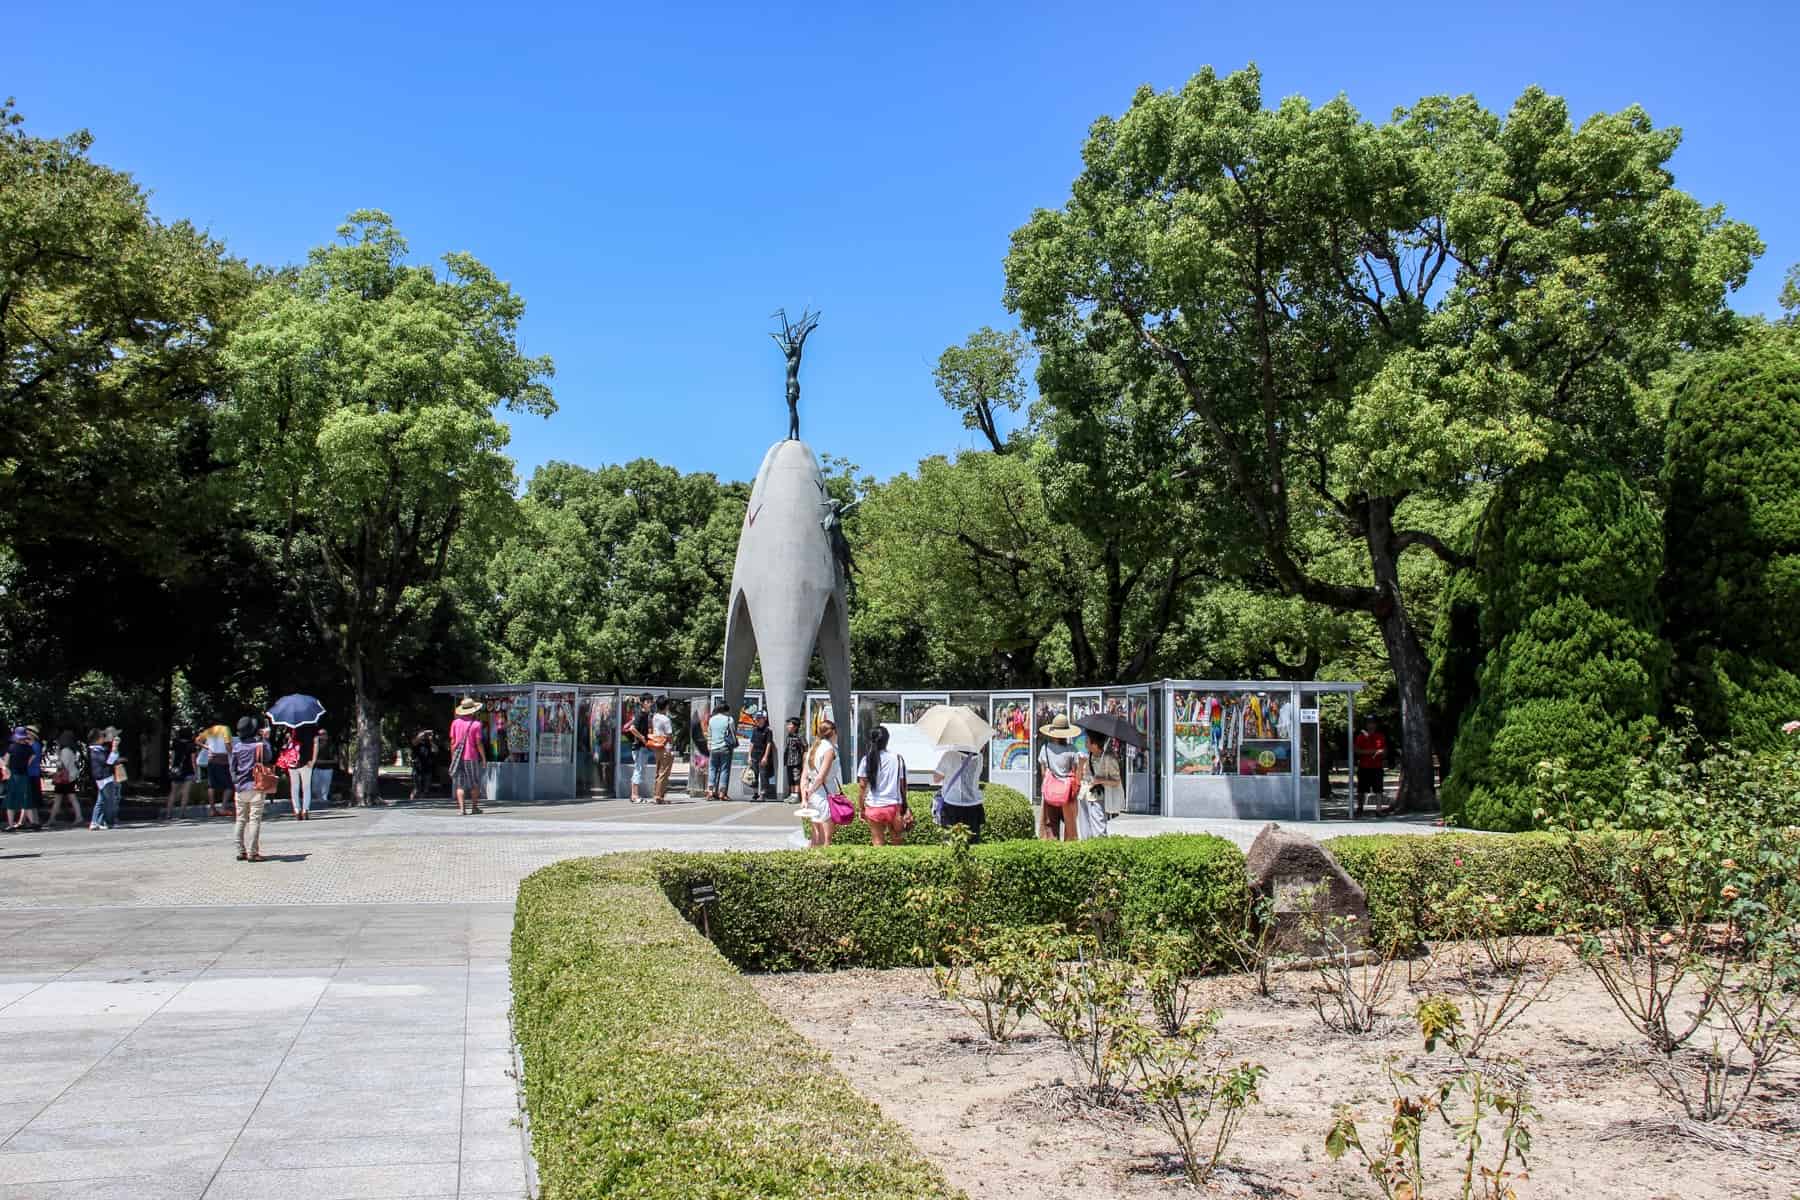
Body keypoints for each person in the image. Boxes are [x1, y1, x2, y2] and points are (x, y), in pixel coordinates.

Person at [855, 725, 907, 846]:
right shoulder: (897, 759)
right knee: (897, 840)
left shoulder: (866, 760)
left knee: (877, 841)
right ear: (887, 740)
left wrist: (861, 808)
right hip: (894, 806)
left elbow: (862, 787)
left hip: (874, 805)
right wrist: (905, 806)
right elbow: (903, 785)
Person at [1037, 714, 1084, 842]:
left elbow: (1043, 772)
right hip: (1067, 794)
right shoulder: (1072, 749)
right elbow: (1074, 772)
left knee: (1050, 828)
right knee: (1070, 828)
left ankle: (1052, 853)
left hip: (1050, 793)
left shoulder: (1045, 748)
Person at [229, 716, 270, 861]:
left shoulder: (237, 747)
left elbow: (232, 768)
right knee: (254, 820)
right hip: (256, 786)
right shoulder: (260, 745)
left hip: (240, 787)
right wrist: (265, 739)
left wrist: (236, 783)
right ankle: (253, 852)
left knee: (240, 820)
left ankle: (241, 851)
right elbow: (268, 757)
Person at [797, 718, 840, 848]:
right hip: (824, 794)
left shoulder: (813, 748)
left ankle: (810, 862)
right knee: (826, 839)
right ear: (833, 732)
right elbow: (821, 777)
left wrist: (805, 797)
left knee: (815, 835)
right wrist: (811, 791)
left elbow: (804, 776)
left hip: (812, 795)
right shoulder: (829, 749)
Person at [933, 742, 985, 842]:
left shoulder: (950, 755)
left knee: (950, 842)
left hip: (952, 805)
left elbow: (936, 779)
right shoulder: (979, 757)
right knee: (972, 842)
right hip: (974, 806)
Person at [448, 696, 486, 815]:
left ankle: (462, 810)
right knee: (474, 783)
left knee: (460, 785)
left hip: (458, 758)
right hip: (471, 757)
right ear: (473, 710)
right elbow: (478, 743)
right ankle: (474, 808)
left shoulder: (455, 723)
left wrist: (453, 757)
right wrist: (483, 758)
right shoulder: (476, 724)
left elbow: (453, 742)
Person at [4, 727, 40, 832]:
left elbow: (6, 763)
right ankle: (33, 822)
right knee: (26, 800)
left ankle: (11, 825)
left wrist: (7, 769)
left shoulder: (11, 747)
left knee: (11, 801)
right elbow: (31, 759)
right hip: (24, 775)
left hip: (14, 775)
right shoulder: (29, 748)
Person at [87, 727, 122, 830]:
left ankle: (98, 821)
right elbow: (108, 762)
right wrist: (114, 748)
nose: (104, 737)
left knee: (102, 800)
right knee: (108, 801)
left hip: (104, 777)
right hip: (104, 777)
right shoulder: (96, 750)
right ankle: (102, 821)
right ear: (97, 739)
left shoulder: (98, 749)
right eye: (102, 736)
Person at [1354, 717, 1387, 817]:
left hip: (1377, 766)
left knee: (1379, 788)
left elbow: (1385, 750)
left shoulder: (1380, 736)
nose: (1371, 725)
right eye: (1369, 723)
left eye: (1373, 723)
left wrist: (1382, 752)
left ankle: (1379, 809)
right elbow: (1357, 750)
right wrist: (1372, 752)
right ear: (1366, 725)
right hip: (1364, 766)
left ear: (1376, 725)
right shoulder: (1361, 736)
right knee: (1361, 789)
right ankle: (1360, 808)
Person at [625, 693, 654, 803]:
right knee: (638, 769)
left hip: (643, 747)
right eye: (647, 701)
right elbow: (632, 728)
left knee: (640, 769)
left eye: (651, 701)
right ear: (642, 703)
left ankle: (634, 795)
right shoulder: (640, 714)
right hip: (639, 747)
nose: (649, 703)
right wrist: (642, 737)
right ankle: (634, 795)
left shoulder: (647, 714)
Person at [1087, 734, 1124, 819]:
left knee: (1099, 827)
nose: (1085, 744)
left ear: (1095, 745)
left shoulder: (1109, 759)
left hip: (1104, 798)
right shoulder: (1089, 756)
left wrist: (1100, 780)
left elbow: (1116, 782)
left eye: (1087, 741)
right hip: (1090, 796)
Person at [49, 731, 82, 826]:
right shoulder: (71, 750)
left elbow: (62, 765)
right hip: (69, 778)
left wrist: (58, 756)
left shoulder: (65, 751)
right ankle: (78, 817)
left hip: (65, 779)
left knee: (60, 798)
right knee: (70, 798)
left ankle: (52, 819)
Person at [201, 723, 233, 817]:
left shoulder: (209, 730)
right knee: (229, 785)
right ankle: (223, 808)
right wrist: (233, 753)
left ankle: (212, 810)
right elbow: (227, 745)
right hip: (223, 760)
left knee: (212, 785)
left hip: (211, 760)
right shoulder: (225, 729)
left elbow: (197, 741)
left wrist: (208, 748)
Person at [165, 726, 196, 820]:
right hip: (189, 769)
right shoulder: (191, 744)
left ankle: (168, 814)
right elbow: (193, 759)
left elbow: (172, 756)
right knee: (186, 793)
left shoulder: (175, 742)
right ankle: (182, 814)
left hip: (177, 769)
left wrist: (171, 767)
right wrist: (196, 772)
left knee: (173, 792)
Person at [705, 701, 735, 800]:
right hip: (725, 747)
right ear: (725, 710)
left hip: (713, 748)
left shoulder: (711, 720)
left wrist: (709, 745)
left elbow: (709, 734)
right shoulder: (729, 719)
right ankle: (722, 793)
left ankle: (710, 792)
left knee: (712, 769)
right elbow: (733, 733)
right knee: (724, 770)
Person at [650, 697, 675, 803]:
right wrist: (672, 744)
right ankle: (659, 796)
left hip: (657, 746)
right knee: (664, 772)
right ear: (666, 706)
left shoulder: (655, 717)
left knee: (658, 771)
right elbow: (669, 734)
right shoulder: (666, 719)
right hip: (665, 747)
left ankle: (656, 793)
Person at [747, 711, 775, 800]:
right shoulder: (755, 730)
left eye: (760, 718)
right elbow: (752, 743)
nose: (758, 720)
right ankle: (755, 793)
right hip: (754, 756)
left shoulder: (768, 731)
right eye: (757, 718)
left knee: (763, 775)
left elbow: (769, 744)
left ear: (765, 719)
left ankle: (763, 794)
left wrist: (765, 757)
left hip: (762, 756)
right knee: (754, 776)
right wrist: (749, 756)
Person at [311, 726, 337, 810]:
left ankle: (324, 803)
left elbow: (336, 760)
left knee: (325, 788)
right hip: (316, 769)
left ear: (326, 735)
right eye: (319, 734)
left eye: (323, 734)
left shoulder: (331, 746)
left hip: (327, 769)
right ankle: (317, 802)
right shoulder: (315, 745)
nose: (321, 736)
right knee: (315, 787)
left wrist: (323, 762)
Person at [410, 730, 436, 800]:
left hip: (427, 767)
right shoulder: (416, 743)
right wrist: (424, 732)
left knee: (426, 789)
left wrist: (431, 741)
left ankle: (423, 799)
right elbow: (415, 741)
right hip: (417, 767)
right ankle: (412, 800)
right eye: (423, 735)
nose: (424, 737)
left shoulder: (428, 744)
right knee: (417, 788)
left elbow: (436, 750)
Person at [783, 717, 806, 798]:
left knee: (796, 777)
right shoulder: (788, 736)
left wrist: (804, 760)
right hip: (789, 761)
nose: (788, 726)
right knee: (790, 778)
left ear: (795, 727)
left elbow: (805, 748)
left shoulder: (800, 736)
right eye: (788, 724)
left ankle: (796, 795)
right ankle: (792, 794)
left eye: (790, 724)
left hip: (797, 761)